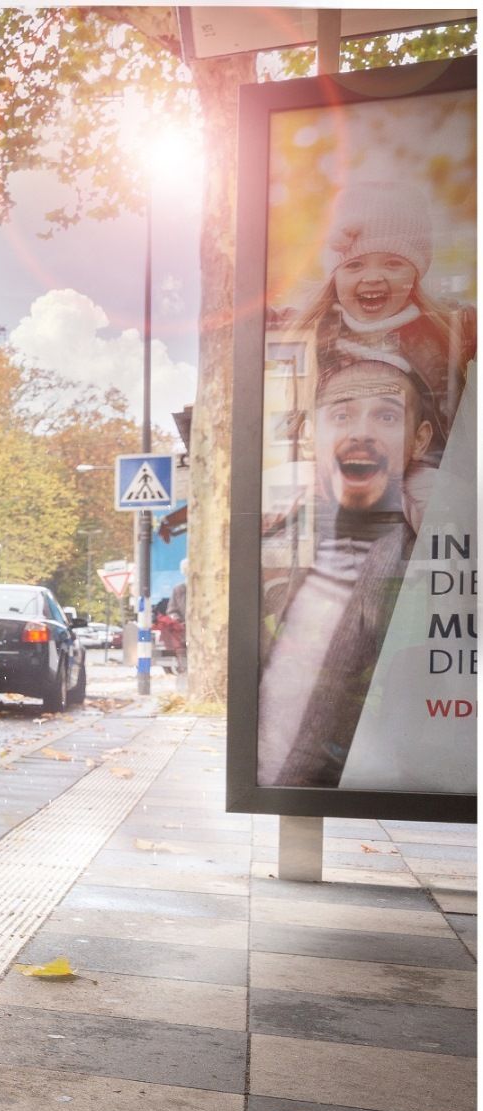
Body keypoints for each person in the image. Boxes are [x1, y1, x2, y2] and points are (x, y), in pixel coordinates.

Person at [257, 358, 443, 786]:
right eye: (341, 415)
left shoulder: (434, 558)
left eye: (386, 415)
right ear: (309, 437)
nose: (361, 431)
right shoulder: (272, 544)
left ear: (419, 440)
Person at [297, 181, 474, 461]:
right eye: (354, 265)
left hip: (433, 484)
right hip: (345, 479)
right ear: (335, 276)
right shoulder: (313, 330)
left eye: (393, 263)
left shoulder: (450, 326)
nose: (373, 277)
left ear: (415, 273)